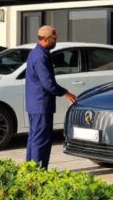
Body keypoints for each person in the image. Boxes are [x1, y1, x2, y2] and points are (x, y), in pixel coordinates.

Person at [24, 25, 77, 167]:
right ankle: (38, 171)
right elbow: (48, 83)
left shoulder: (35, 53)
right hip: (41, 105)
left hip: (35, 104)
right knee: (41, 140)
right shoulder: (41, 56)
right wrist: (66, 93)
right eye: (54, 38)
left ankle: (30, 170)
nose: (56, 40)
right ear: (47, 39)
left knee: (34, 138)